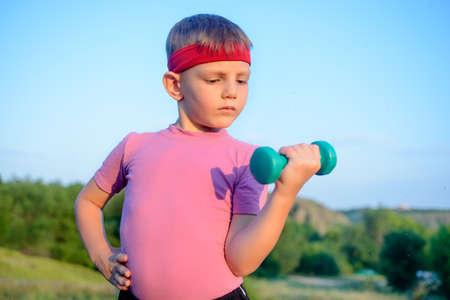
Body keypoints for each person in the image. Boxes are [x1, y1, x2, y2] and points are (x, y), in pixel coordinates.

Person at [74, 13, 321, 300]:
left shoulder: (247, 160)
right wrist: (101, 256)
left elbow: (241, 261)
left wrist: (285, 193)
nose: (231, 92)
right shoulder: (134, 147)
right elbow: (88, 202)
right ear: (175, 86)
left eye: (242, 80)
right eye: (214, 79)